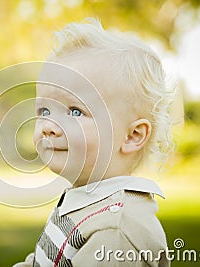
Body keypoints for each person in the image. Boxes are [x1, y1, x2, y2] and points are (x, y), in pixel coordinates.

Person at [14, 17, 174, 267]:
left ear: (132, 136)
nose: (49, 126)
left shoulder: (117, 229)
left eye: (75, 111)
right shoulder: (87, 203)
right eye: (44, 111)